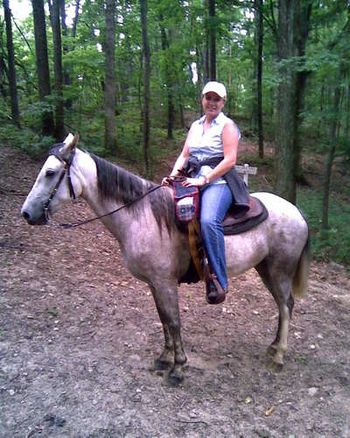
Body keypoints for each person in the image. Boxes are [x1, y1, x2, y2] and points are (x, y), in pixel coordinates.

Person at [162, 81, 249, 304]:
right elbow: (184, 155)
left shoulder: (227, 126)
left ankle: (219, 280)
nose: (212, 102)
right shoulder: (195, 126)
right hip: (192, 177)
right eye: (208, 98)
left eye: (216, 99)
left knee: (209, 220)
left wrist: (204, 179)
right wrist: (173, 176)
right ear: (202, 99)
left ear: (223, 102)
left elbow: (230, 160)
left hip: (219, 181)